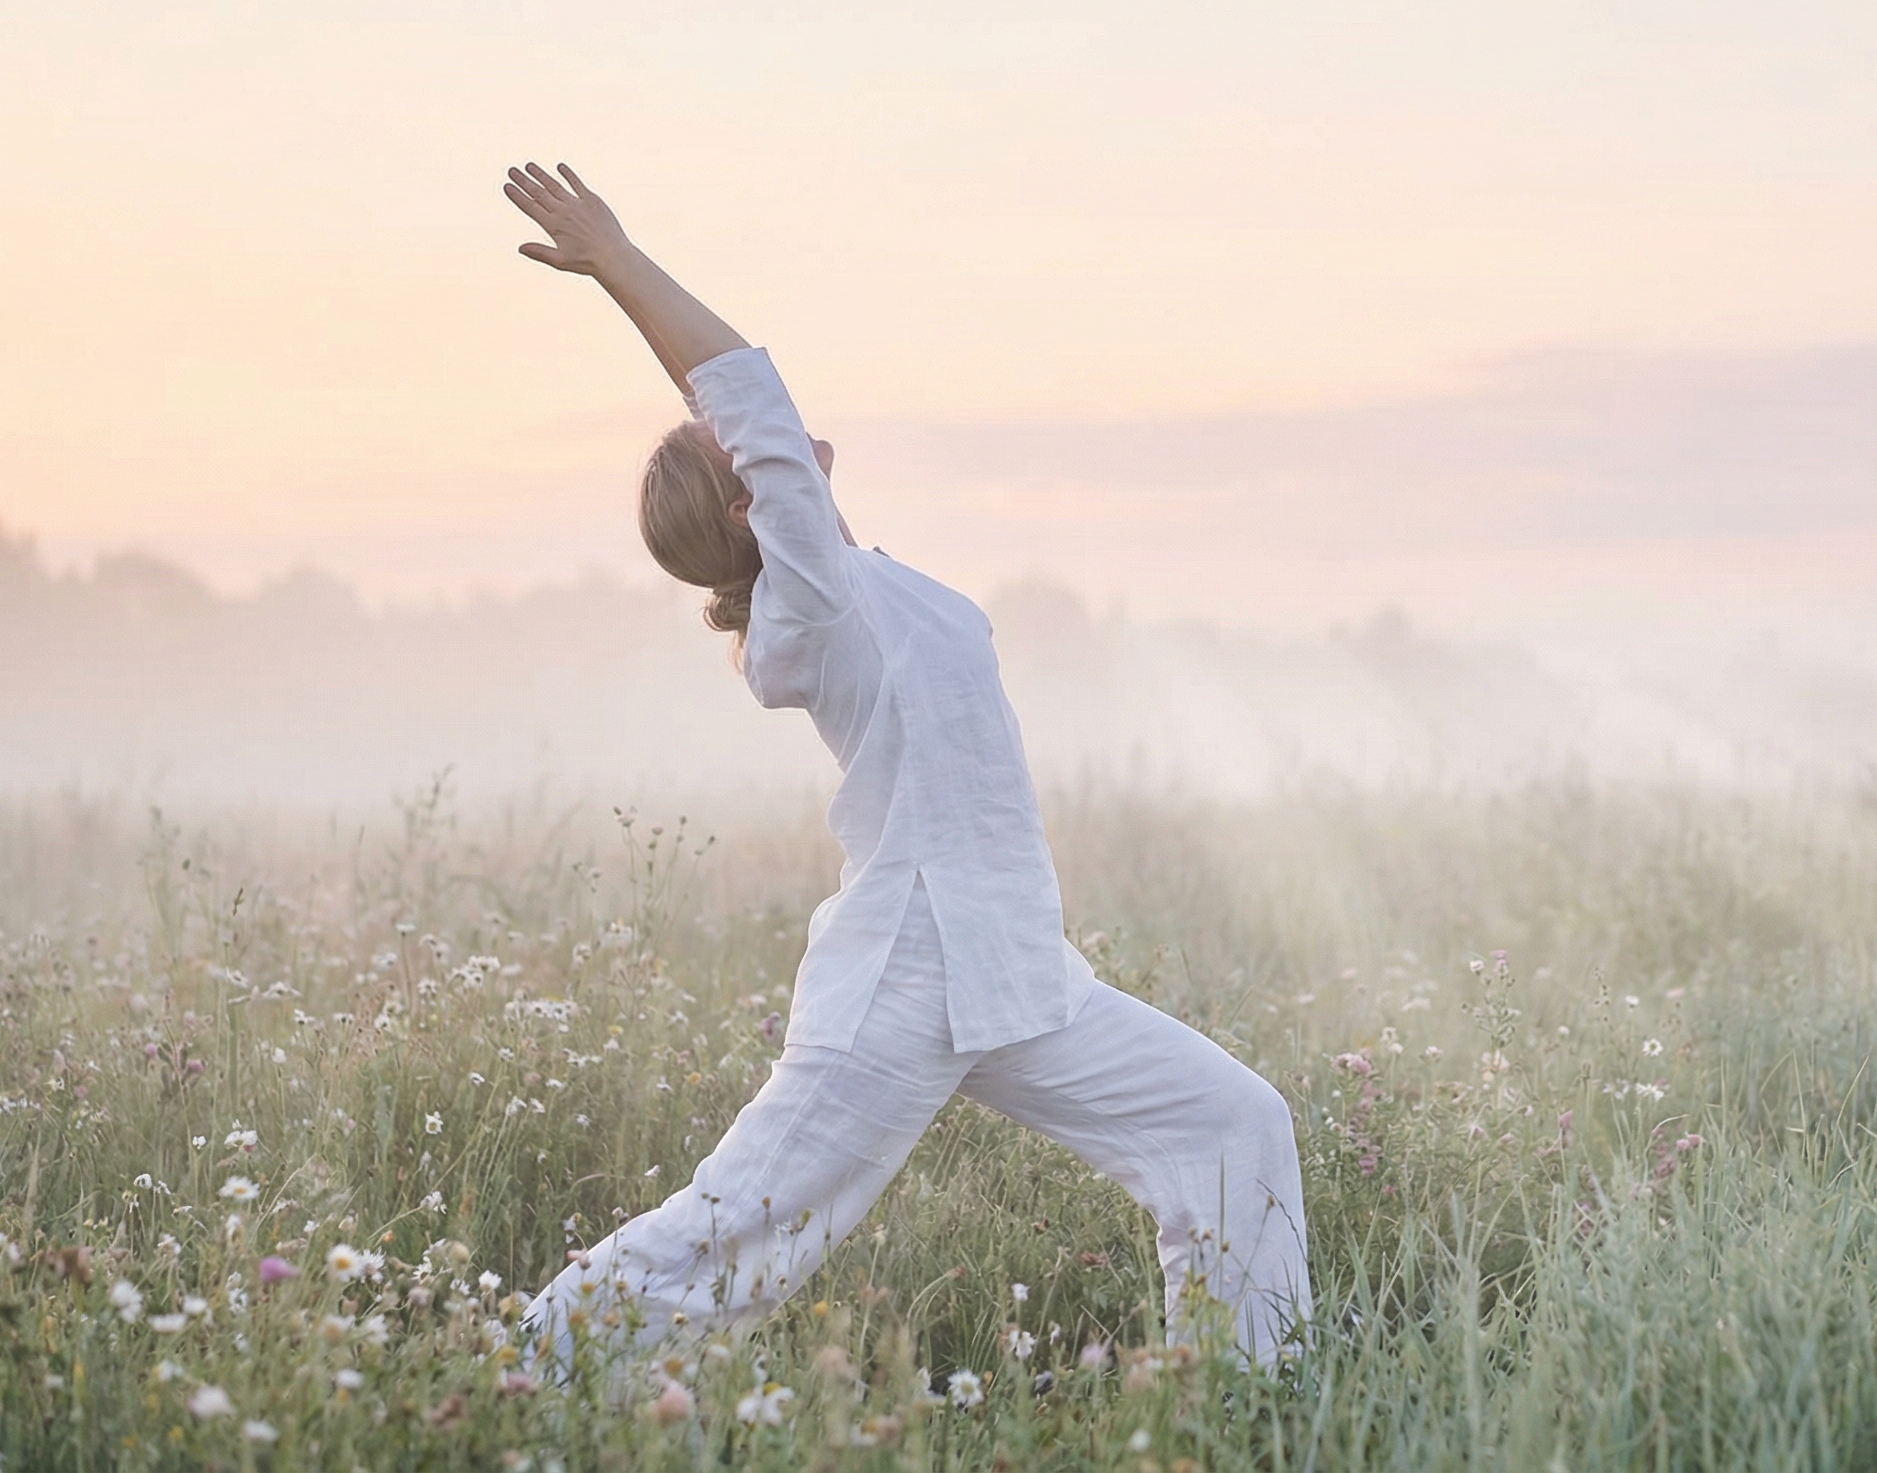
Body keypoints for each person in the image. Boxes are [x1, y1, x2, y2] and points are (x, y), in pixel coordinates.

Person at [500, 162, 1310, 1369]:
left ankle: (1257, 1394)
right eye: (746, 450)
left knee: (1232, 1124)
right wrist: (617, 261)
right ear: (753, 506)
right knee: (735, 1235)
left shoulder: (846, 582)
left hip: (1014, 969)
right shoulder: (811, 604)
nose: (767, 435)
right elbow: (747, 390)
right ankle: (515, 1375)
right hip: (907, 973)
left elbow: (751, 417)